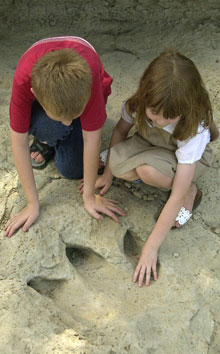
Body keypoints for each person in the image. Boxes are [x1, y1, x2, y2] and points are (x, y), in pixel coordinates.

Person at [95, 48, 219, 287]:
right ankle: (137, 164)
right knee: (118, 165)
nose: (160, 121)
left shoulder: (194, 128)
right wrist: (109, 174)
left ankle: (190, 191)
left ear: (187, 106)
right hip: (150, 143)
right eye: (154, 114)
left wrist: (151, 248)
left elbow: (173, 199)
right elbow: (121, 131)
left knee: (147, 172)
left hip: (187, 160)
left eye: (169, 117)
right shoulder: (138, 103)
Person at [4, 36, 126, 238]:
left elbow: (92, 139)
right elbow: (18, 142)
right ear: (34, 93)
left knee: (72, 169)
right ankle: (47, 138)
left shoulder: (91, 79)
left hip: (76, 93)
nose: (68, 121)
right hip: (52, 101)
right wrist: (32, 203)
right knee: (50, 126)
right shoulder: (23, 80)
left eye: (73, 117)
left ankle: (55, 132)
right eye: (62, 118)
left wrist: (89, 197)